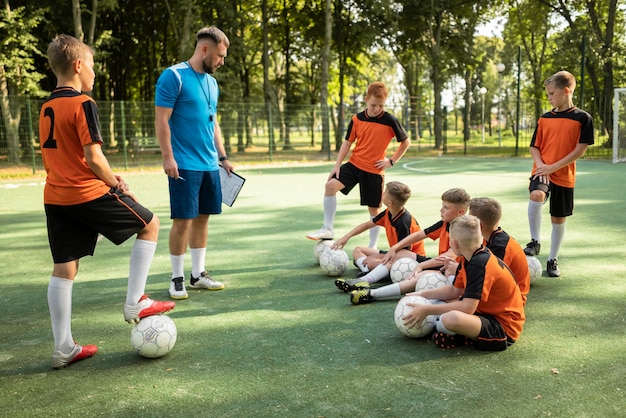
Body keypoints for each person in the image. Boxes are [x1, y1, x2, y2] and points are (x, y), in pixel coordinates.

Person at [40, 35, 175, 369]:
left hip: (55, 197)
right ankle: (135, 302)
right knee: (151, 224)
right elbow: (94, 157)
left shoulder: (46, 107)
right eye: (93, 66)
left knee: (65, 267)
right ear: (78, 66)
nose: (95, 74)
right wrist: (117, 183)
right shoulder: (83, 103)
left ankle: (63, 348)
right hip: (86, 192)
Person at [155, 26, 233, 300]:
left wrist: (222, 156)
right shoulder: (173, 76)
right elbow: (162, 119)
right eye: (220, 56)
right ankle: (176, 278)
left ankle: (198, 275)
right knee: (183, 220)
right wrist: (168, 157)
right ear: (205, 49)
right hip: (184, 164)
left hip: (209, 164)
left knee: (203, 219)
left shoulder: (212, 83)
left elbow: (213, 123)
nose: (222, 61)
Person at [306, 82, 411, 249]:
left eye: (381, 105)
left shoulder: (390, 120)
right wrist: (337, 165)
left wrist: (391, 161)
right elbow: (347, 143)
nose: (377, 109)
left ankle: (372, 247)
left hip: (374, 171)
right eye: (373, 105)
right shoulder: (357, 119)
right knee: (330, 186)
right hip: (354, 165)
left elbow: (406, 142)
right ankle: (328, 229)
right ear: (366, 100)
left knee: (374, 210)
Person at [402, 215, 525, 351]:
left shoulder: (480, 264)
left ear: (454, 243)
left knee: (449, 318)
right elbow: (454, 290)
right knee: (441, 305)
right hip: (484, 314)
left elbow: (467, 307)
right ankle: (456, 333)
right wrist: (422, 294)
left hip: (503, 328)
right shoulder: (469, 257)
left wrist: (427, 310)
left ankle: (459, 336)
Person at [523, 70, 594, 277]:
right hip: (542, 170)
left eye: (552, 93)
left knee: (558, 218)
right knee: (536, 195)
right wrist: (542, 166)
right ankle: (535, 241)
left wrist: (553, 167)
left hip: (564, 175)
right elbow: (534, 147)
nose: (549, 98)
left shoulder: (583, 118)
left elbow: (579, 150)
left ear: (565, 91)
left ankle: (552, 259)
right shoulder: (544, 118)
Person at [348, 188, 470, 304]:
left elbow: (448, 256)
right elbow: (419, 235)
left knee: (419, 277)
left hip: (453, 270)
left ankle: (372, 294)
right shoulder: (445, 224)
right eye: (442, 206)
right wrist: (395, 247)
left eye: (446, 207)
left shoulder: (462, 230)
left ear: (460, 212)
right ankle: (365, 280)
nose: (441, 210)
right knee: (400, 253)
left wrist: (422, 265)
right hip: (442, 265)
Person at [332, 181, 426, 291]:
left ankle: (368, 277)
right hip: (394, 253)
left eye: (384, 192)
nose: (382, 193)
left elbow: (403, 254)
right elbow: (367, 225)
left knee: (371, 262)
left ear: (390, 202)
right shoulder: (388, 212)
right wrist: (346, 237)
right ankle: (370, 271)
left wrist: (378, 258)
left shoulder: (404, 222)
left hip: (409, 260)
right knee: (358, 250)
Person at [469, 197, 530, 305]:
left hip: (512, 300)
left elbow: (489, 277)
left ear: (479, 226)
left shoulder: (500, 247)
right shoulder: (488, 237)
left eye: (469, 220)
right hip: (502, 293)